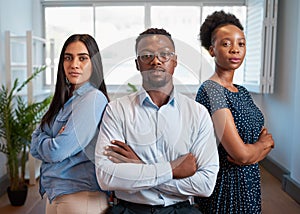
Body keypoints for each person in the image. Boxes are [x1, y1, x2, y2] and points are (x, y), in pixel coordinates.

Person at [95, 28, 219, 214]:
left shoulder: (198, 114)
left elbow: (205, 184)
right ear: (137, 64)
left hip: (181, 210)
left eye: (165, 55)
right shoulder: (117, 110)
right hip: (129, 210)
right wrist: (173, 170)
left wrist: (139, 169)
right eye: (146, 55)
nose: (156, 61)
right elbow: (106, 176)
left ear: (175, 61)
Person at [194, 11, 275, 213]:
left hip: (250, 181)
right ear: (212, 50)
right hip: (226, 186)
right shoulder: (211, 90)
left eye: (241, 43)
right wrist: (260, 147)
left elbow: (259, 143)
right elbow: (240, 153)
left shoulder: (243, 92)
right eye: (226, 43)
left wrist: (253, 152)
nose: (235, 50)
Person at [30, 34, 110, 214]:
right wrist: (48, 141)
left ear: (94, 62)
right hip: (56, 193)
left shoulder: (93, 99)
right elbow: (33, 143)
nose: (74, 64)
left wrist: (46, 140)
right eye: (68, 57)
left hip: (81, 198)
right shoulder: (64, 100)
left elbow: (57, 151)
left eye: (83, 58)